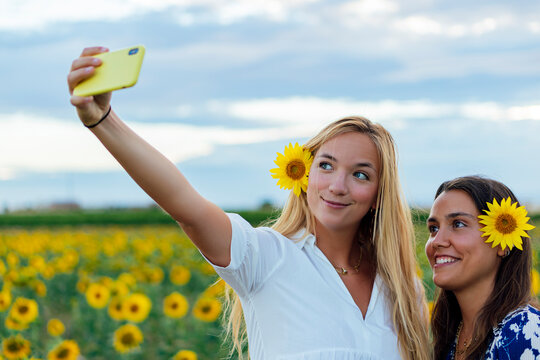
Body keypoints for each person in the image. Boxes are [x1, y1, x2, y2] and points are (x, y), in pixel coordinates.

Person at [68, 46, 430, 360]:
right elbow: (186, 206)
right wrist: (103, 120)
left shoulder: (402, 289)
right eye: (326, 165)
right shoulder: (266, 257)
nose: (337, 185)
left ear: (379, 197)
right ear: (304, 177)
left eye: (361, 174)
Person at [425, 176, 539, 360]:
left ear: (503, 240)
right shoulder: (450, 334)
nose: (436, 241)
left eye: (458, 224)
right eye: (434, 228)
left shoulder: (524, 332)